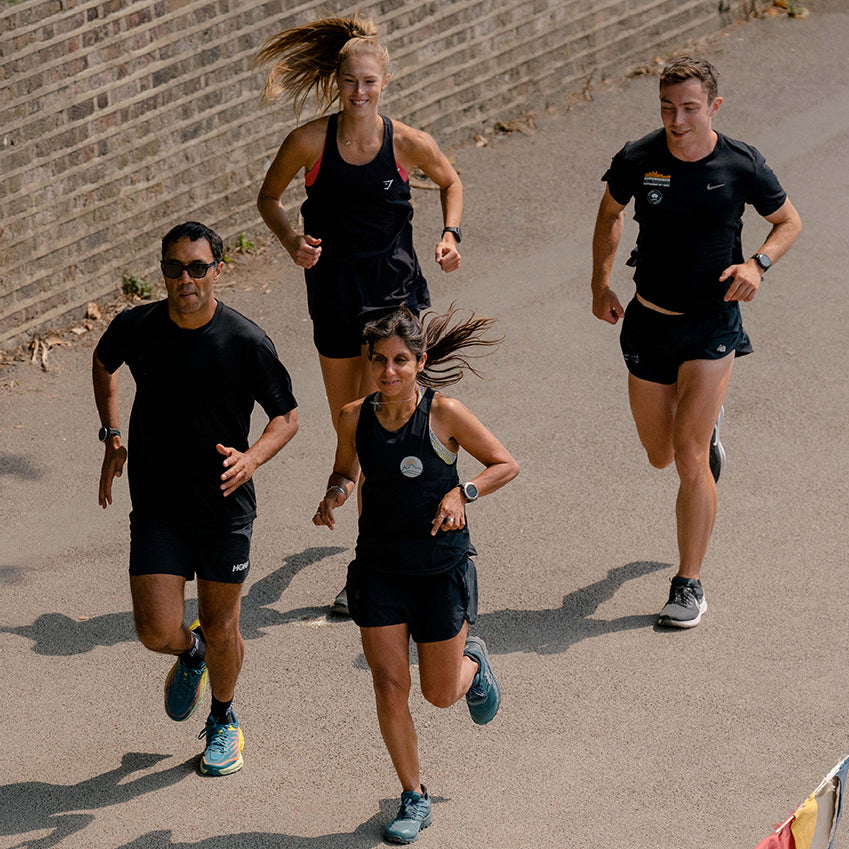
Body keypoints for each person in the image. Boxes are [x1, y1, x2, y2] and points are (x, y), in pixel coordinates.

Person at [255, 14, 463, 615]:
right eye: (350, 82)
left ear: (386, 81)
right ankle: (363, 518)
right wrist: (291, 240)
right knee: (353, 428)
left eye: (370, 82)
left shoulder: (406, 143)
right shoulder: (309, 142)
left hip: (395, 300)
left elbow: (450, 179)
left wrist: (450, 234)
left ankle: (373, 567)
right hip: (334, 300)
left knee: (388, 428)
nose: (360, 92)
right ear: (336, 83)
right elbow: (268, 198)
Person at [590, 56, 801, 628]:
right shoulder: (639, 157)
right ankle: (705, 442)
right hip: (649, 320)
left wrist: (757, 264)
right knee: (660, 454)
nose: (676, 119)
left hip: (713, 323)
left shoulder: (740, 162)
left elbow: (789, 222)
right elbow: (610, 212)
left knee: (686, 459)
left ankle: (688, 586)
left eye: (688, 107)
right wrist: (600, 282)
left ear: (713, 106)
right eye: (667, 107)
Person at [92, 221, 299, 775]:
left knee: (222, 620)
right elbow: (103, 361)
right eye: (173, 268)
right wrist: (111, 435)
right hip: (158, 504)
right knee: (155, 629)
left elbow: (287, 418)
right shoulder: (137, 326)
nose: (185, 278)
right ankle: (191, 653)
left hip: (223, 506)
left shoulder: (246, 341)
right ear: (162, 272)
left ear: (217, 271)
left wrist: (252, 457)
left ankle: (224, 719)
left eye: (197, 267)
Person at [312, 306, 518, 844]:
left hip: (438, 571)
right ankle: (414, 795)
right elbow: (345, 469)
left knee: (440, 694)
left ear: (420, 361)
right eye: (379, 361)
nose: (389, 372)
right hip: (378, 569)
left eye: (401, 360)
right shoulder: (353, 416)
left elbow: (504, 463)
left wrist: (462, 492)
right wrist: (334, 495)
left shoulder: (444, 413)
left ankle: (474, 663)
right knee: (388, 686)